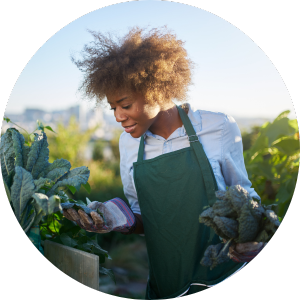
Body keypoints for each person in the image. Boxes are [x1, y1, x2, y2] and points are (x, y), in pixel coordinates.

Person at [63, 26, 265, 298]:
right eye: (113, 108)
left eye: (125, 104)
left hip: (221, 275)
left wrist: (255, 234)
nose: (118, 116)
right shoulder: (129, 143)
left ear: (156, 90)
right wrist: (111, 219)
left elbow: (244, 193)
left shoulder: (218, 127)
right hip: (166, 285)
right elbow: (145, 218)